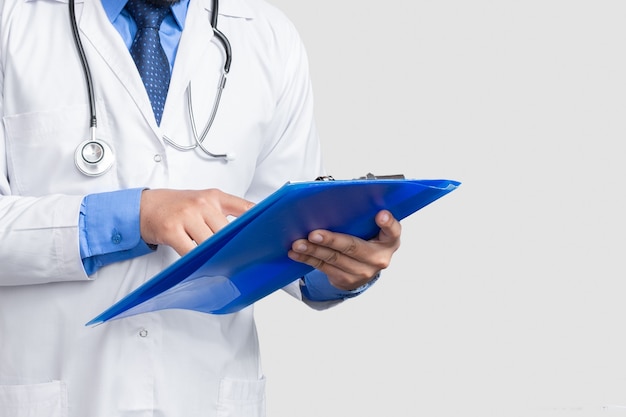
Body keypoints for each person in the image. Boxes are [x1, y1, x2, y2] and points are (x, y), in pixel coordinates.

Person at [0, 0, 402, 415]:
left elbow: (283, 226)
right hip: (58, 392)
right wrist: (135, 217)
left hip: (204, 393)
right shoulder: (12, 21)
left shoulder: (266, 35)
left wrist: (336, 264)